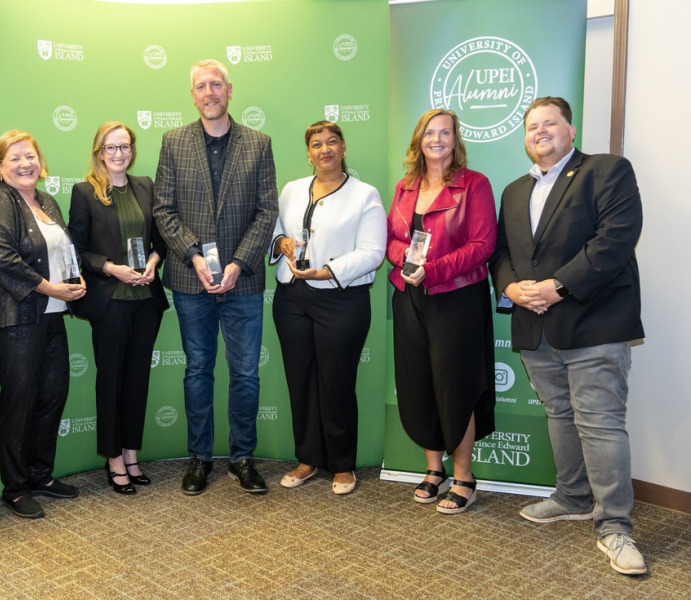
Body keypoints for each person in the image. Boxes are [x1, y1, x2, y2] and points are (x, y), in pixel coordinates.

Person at [489, 97, 646, 575]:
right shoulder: (515, 191)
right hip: (536, 326)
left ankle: (615, 525)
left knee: (599, 422)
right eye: (531, 126)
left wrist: (557, 287)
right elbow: (501, 253)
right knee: (560, 413)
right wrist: (511, 287)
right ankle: (573, 496)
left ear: (571, 130)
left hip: (594, 321)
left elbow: (616, 239)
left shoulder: (607, 171)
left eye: (550, 124)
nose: (540, 132)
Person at [154, 59, 278, 495]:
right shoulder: (173, 142)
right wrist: (192, 257)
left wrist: (238, 263)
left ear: (230, 90)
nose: (209, 92)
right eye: (201, 86)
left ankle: (242, 457)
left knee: (245, 374)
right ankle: (200, 458)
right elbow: (163, 210)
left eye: (216, 85)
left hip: (241, 282)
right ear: (193, 95)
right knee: (198, 370)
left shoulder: (259, 144)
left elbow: (267, 212)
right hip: (192, 283)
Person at [386, 108, 496, 515]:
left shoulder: (474, 185)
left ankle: (464, 476)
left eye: (444, 133)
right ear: (419, 140)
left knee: (456, 386)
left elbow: (482, 246)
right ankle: (435, 470)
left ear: (455, 139)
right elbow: (390, 240)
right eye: (429, 132)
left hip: (456, 298)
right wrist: (407, 265)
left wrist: (430, 271)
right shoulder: (405, 186)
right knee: (419, 384)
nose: (437, 139)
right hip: (409, 296)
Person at [270, 121, 385, 495]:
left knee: (336, 383)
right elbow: (273, 232)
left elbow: (373, 253)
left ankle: (342, 464)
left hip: (341, 299)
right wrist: (282, 242)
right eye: (317, 144)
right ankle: (307, 458)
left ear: (343, 148)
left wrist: (326, 272)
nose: (325, 150)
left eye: (332, 142)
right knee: (300, 382)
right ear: (308, 153)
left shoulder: (365, 195)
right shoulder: (290, 190)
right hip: (292, 300)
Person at [0, 130, 86, 519]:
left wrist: (75, 282)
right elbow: (2, 259)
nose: (25, 164)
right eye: (15, 158)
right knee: (20, 401)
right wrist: (48, 288)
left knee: (53, 395)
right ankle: (15, 486)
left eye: (31, 156)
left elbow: (65, 250)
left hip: (52, 315)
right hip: (15, 319)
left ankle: (41, 474)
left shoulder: (47, 202)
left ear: (41, 162)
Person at [68, 122, 168, 494]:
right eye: (110, 148)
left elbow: (160, 239)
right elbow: (75, 249)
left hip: (146, 300)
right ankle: (112, 459)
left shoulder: (145, 185)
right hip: (110, 300)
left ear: (133, 150)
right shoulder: (85, 193)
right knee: (111, 380)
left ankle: (130, 453)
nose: (118, 154)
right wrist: (112, 268)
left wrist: (153, 263)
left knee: (137, 380)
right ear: (99, 153)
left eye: (124, 146)